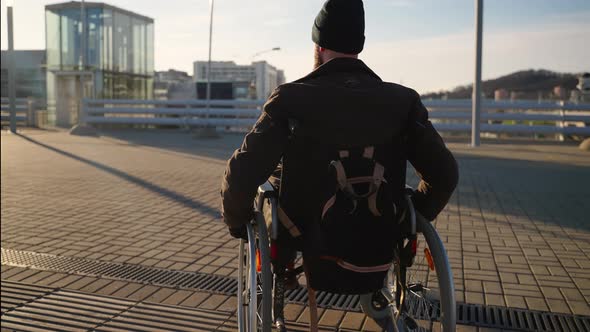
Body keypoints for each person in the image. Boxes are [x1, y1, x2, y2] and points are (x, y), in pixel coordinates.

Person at [221, 0, 458, 286]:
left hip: (301, 232)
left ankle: (281, 272)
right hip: (378, 221)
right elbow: (444, 174)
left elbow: (242, 173)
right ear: (359, 46)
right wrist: (412, 214)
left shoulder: (290, 99)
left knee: (275, 187)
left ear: (319, 47)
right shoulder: (403, 101)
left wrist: (237, 222)